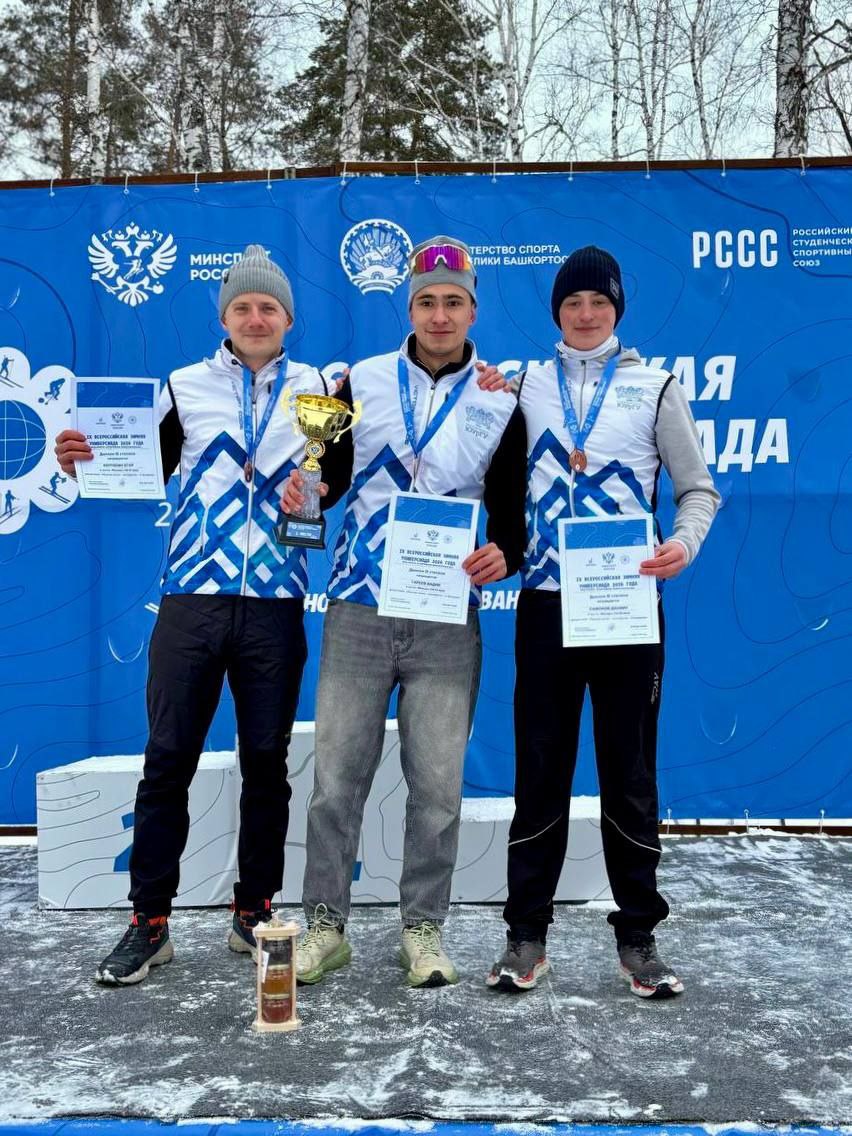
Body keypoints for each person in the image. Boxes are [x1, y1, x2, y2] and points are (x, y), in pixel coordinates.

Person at [55, 245, 329, 985]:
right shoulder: (185, 385)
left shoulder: (317, 389)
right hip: (192, 598)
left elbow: (330, 481)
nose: (255, 317)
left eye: (268, 307)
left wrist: (314, 497)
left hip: (274, 600)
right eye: (242, 306)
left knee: (266, 764)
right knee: (167, 759)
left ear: (288, 319)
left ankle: (254, 910)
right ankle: (150, 921)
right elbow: (134, 465)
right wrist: (82, 456)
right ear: (224, 318)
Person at [281, 235, 527, 988]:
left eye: (454, 302)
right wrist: (307, 490)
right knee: (335, 781)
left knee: (439, 788)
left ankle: (423, 929)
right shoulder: (360, 381)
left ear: (473, 310)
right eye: (426, 301)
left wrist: (507, 553)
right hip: (360, 603)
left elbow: (510, 506)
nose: (439, 315)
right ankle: (326, 926)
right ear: (408, 308)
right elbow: (328, 472)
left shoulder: (500, 396)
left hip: (446, 611)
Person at [487, 245, 719, 999]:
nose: (586, 314)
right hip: (548, 604)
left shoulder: (655, 388)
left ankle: (639, 937)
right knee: (540, 771)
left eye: (599, 302)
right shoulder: (524, 385)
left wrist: (683, 542)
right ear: (556, 310)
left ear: (617, 309)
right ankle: (526, 934)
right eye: (572, 302)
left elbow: (698, 490)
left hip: (625, 606)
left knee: (629, 774)